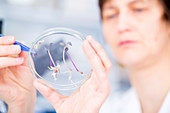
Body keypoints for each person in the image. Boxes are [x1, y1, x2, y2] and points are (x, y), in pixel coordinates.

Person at [0, 0, 169, 113]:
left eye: (139, 9)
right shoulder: (105, 108)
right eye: (111, 14)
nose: (122, 25)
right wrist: (21, 105)